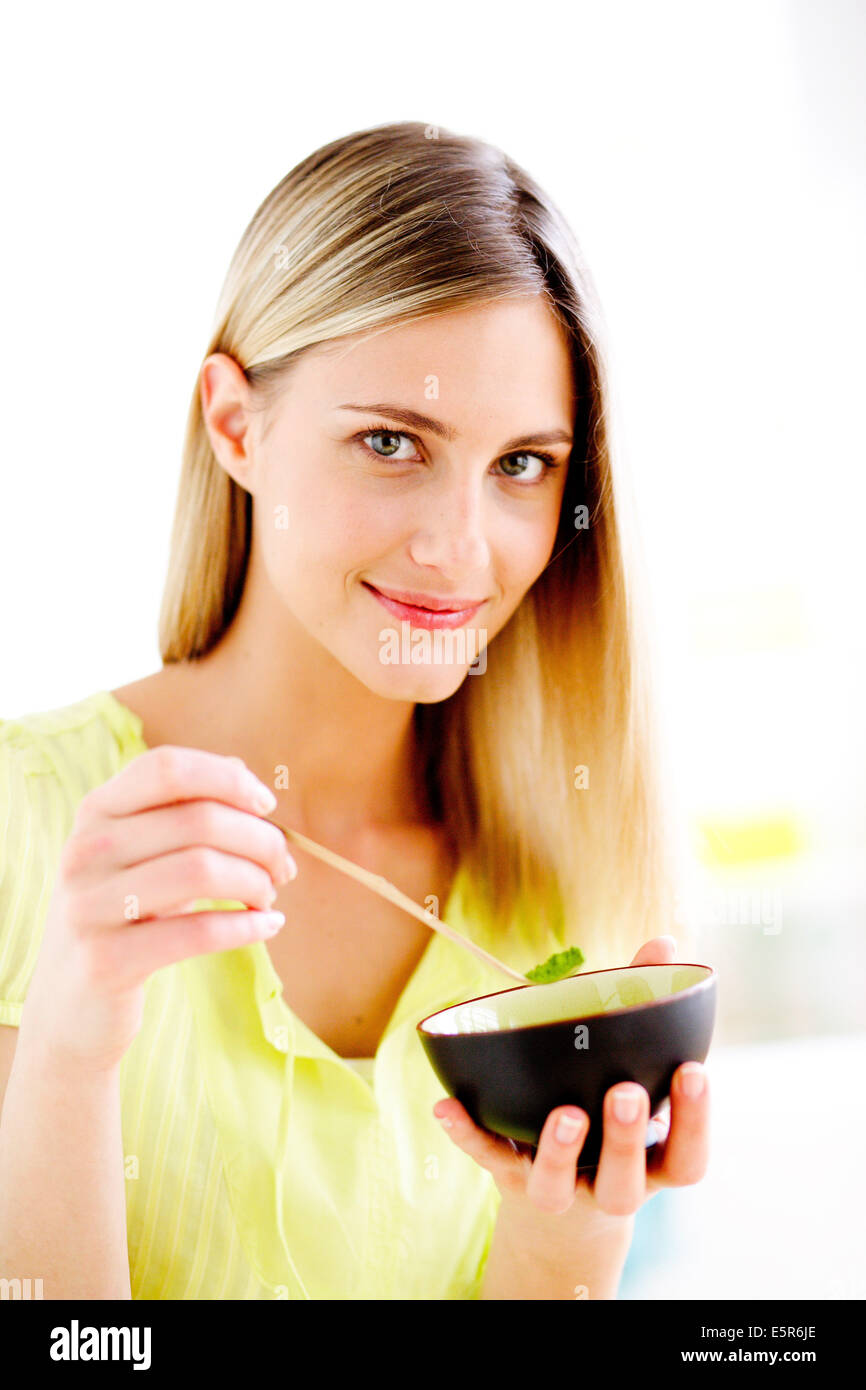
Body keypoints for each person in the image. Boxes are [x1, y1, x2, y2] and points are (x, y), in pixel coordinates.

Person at [0, 120, 709, 1300]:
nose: (456, 549)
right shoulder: (27, 826)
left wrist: (571, 1245)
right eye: (392, 441)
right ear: (237, 425)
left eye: (522, 465)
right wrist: (70, 1051)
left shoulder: (563, 894)